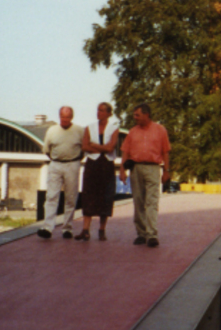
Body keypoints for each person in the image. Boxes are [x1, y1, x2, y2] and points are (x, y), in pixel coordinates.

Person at [119, 103, 170, 247]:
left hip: (153, 168)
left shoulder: (160, 130)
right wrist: (122, 170)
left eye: (137, 115)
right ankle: (141, 233)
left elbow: (166, 151)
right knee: (138, 201)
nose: (135, 117)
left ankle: (152, 234)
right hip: (136, 168)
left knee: (152, 201)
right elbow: (125, 152)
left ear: (146, 115)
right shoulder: (132, 132)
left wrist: (166, 171)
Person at [37, 106, 84, 239]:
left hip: (72, 164)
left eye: (67, 117)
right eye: (62, 117)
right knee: (51, 196)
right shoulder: (52, 130)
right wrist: (57, 159)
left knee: (71, 197)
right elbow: (47, 150)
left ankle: (67, 228)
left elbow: (84, 149)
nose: (65, 120)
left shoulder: (79, 130)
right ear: (59, 116)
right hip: (56, 164)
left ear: (72, 117)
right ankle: (47, 227)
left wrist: (74, 160)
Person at [75, 102, 120, 241]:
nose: (98, 113)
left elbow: (110, 148)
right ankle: (85, 229)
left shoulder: (114, 128)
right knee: (89, 195)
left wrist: (94, 145)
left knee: (105, 196)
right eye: (98, 110)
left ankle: (102, 229)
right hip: (92, 164)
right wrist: (102, 148)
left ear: (108, 113)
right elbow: (84, 146)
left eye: (101, 110)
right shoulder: (89, 127)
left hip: (106, 164)